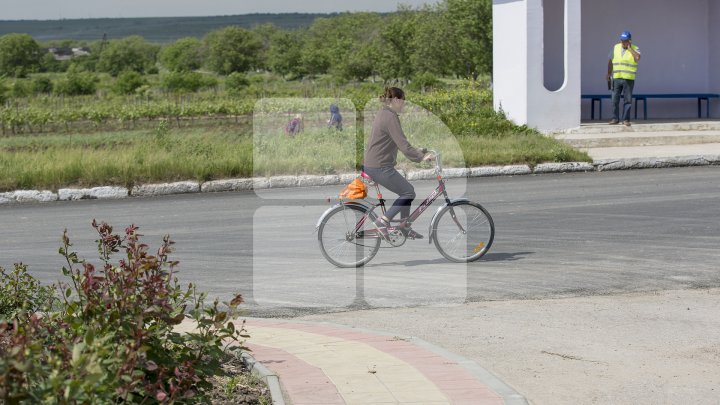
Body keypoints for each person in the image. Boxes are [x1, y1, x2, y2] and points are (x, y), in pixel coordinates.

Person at [362, 87, 434, 240]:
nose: (404, 104)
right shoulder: (390, 117)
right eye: (403, 100)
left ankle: (404, 227)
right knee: (408, 192)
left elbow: (397, 141)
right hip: (379, 166)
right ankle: (383, 221)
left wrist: (418, 150)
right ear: (395, 100)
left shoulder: (384, 113)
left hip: (374, 163)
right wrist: (421, 157)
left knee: (405, 191)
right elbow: (402, 144)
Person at [607, 30, 641, 126]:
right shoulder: (615, 47)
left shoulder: (635, 48)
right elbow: (610, 60)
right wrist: (609, 73)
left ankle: (625, 119)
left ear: (630, 41)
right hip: (617, 77)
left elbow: (637, 58)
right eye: (622, 40)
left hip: (628, 79)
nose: (623, 42)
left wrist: (630, 49)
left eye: (625, 40)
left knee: (628, 100)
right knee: (614, 99)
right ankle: (615, 118)